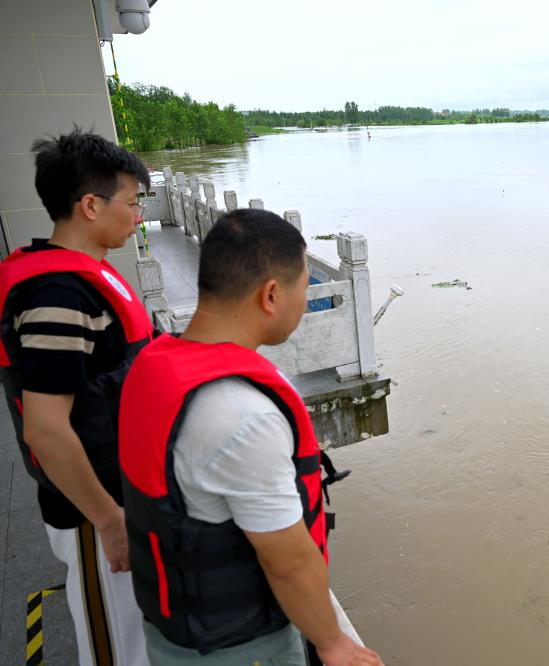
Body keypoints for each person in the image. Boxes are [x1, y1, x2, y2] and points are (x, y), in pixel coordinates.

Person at [118, 209, 383, 665]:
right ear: (272, 295)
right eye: (304, 289)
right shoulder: (243, 417)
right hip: (240, 647)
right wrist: (334, 643)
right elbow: (289, 561)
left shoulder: (152, 366)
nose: (304, 301)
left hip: (173, 634)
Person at [0, 129, 153, 665]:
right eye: (132, 203)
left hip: (121, 491)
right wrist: (109, 521)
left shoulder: (85, 280)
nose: (138, 216)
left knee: (137, 629)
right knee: (115, 642)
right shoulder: (56, 297)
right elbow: (45, 427)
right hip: (93, 507)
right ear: (91, 205)